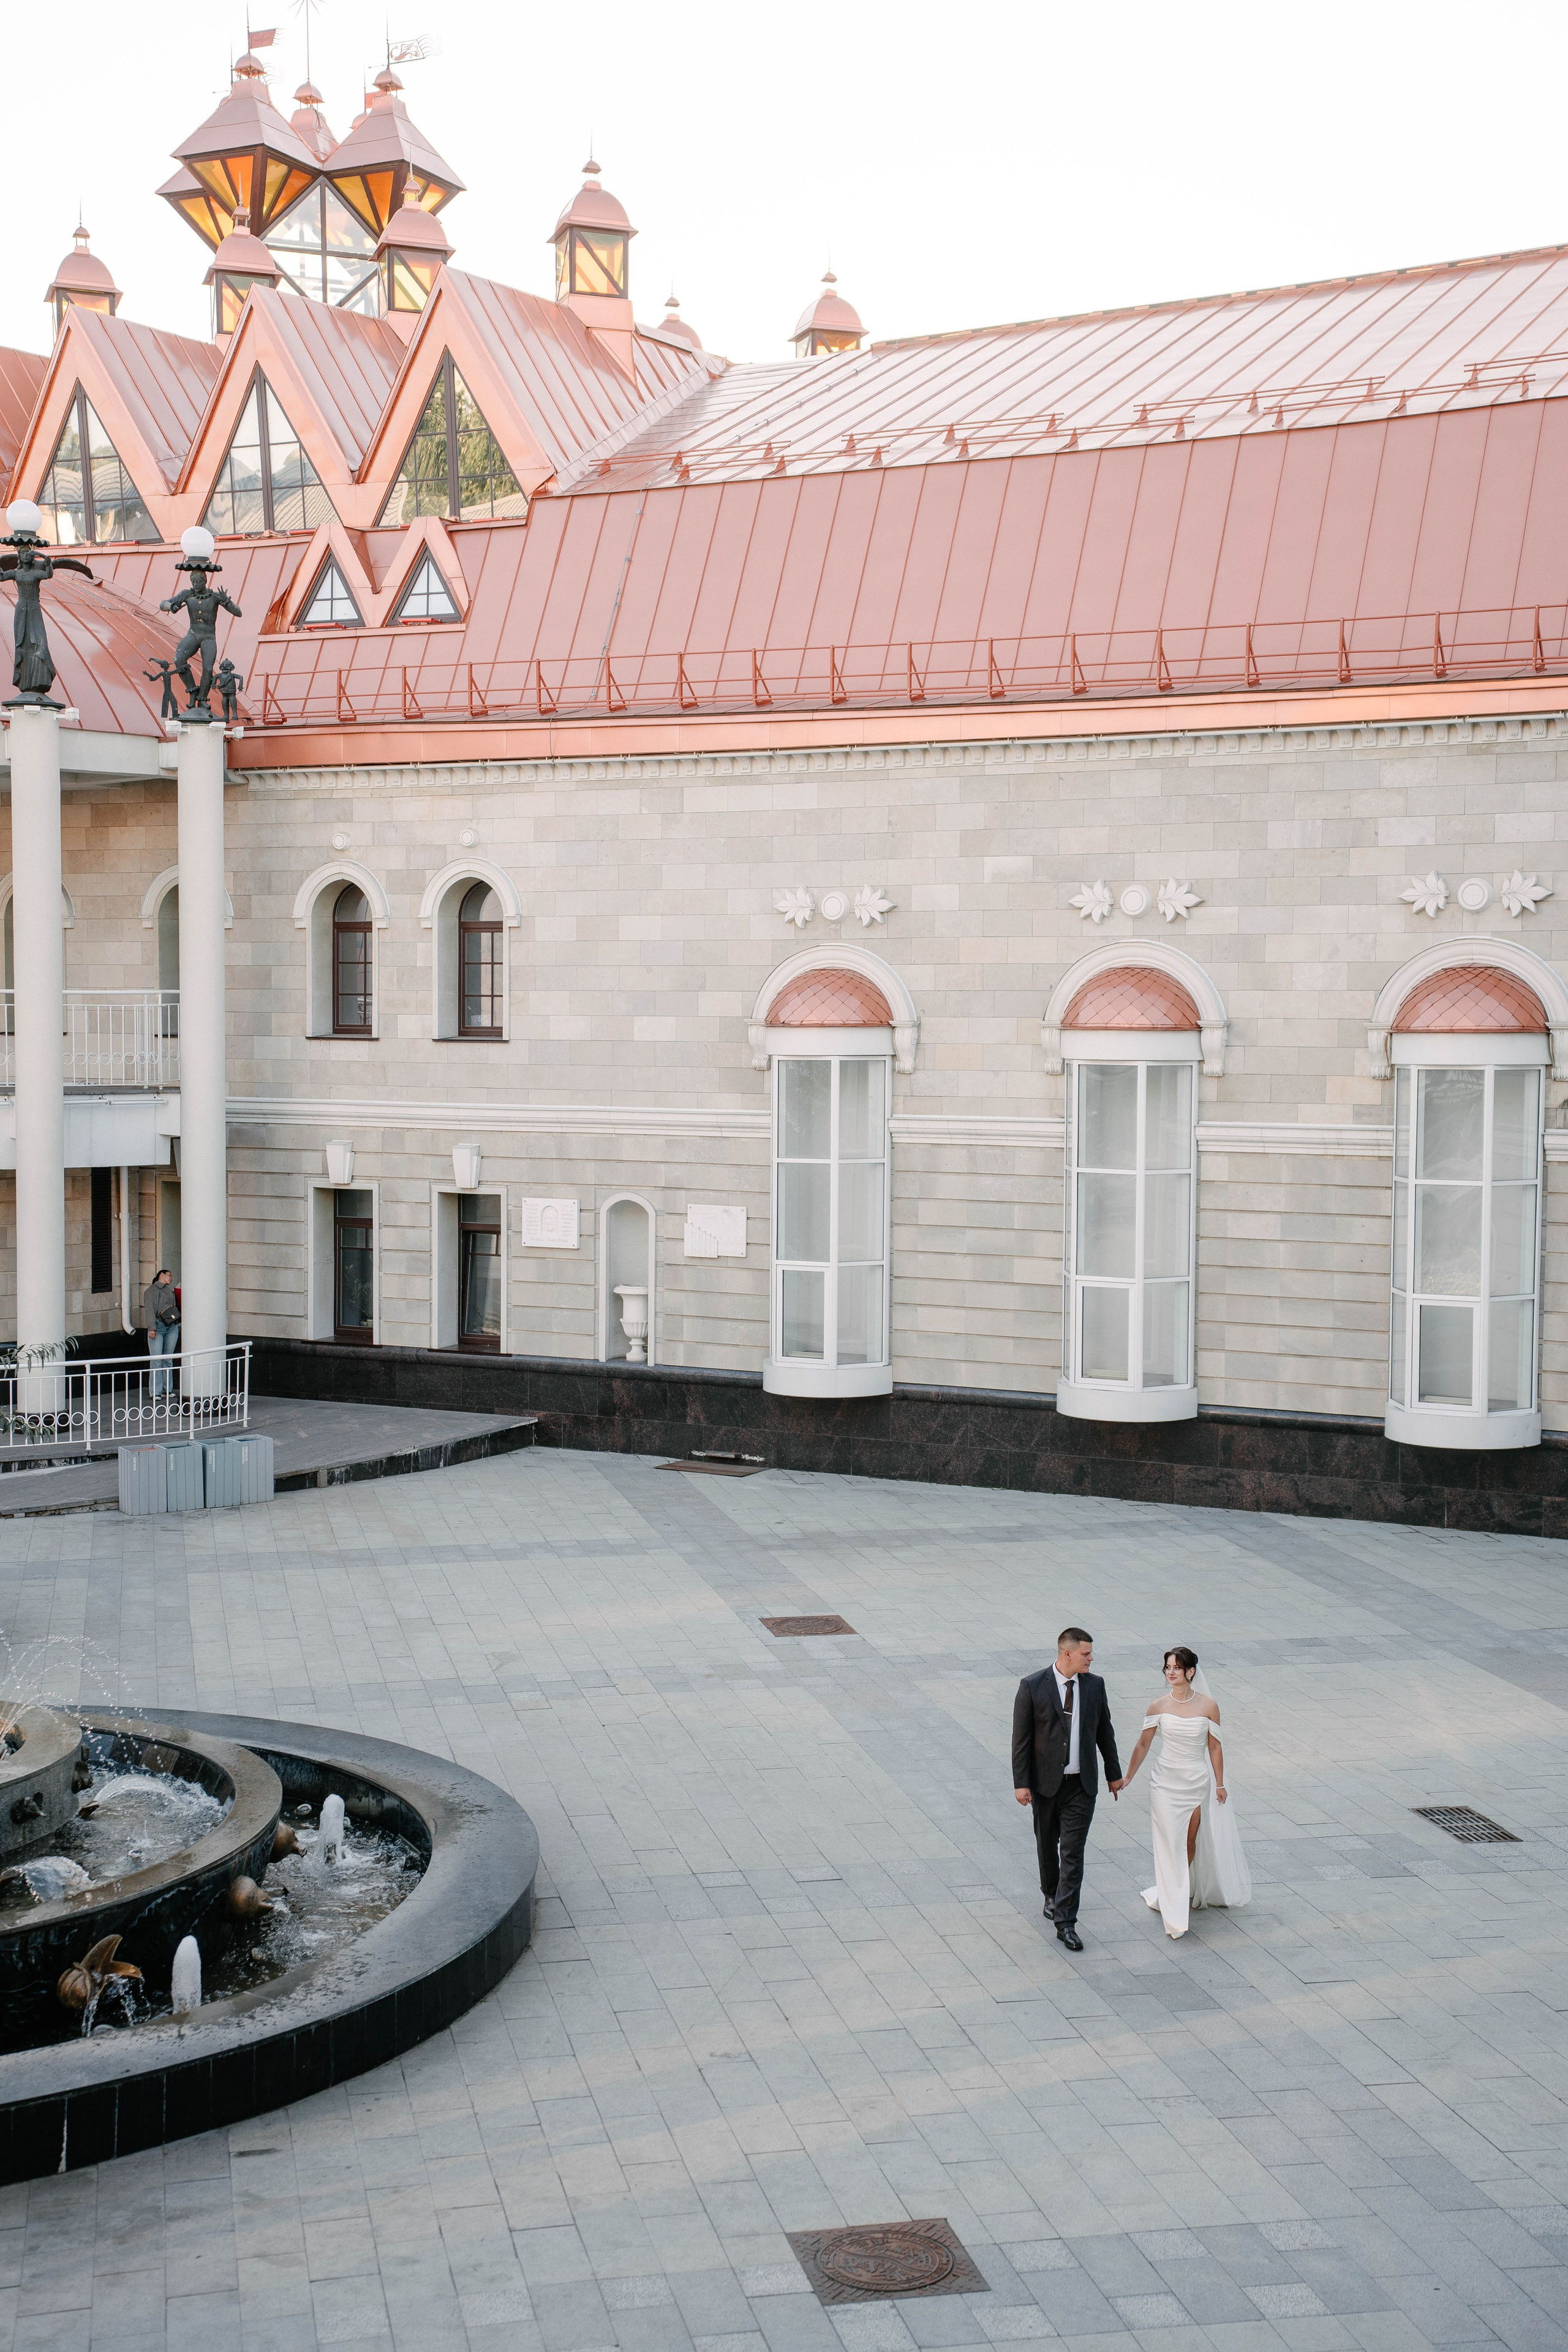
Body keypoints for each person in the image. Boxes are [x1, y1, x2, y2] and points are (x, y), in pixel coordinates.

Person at [1112, 1646, 1252, 1937]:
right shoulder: (1158, 1706)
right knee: (1168, 1842)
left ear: (1191, 1672)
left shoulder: (1209, 1707)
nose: (1171, 1672)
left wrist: (1221, 1783)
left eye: (1176, 1667)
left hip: (1195, 1782)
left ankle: (1174, 1889)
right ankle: (1173, 1904)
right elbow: (1143, 1745)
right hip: (1164, 1783)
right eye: (1167, 1668)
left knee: (1188, 1842)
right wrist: (1128, 1776)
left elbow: (1214, 1746)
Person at [1012, 1626, 1121, 1951]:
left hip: (1081, 1786)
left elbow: (1105, 1732)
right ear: (1067, 1654)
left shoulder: (1095, 1686)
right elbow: (1021, 1740)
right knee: (1048, 1845)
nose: (1091, 1659)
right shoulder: (1032, 1686)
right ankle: (1050, 1892)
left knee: (1072, 1852)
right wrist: (1021, 1783)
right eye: (1086, 1654)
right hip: (1045, 1785)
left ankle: (1066, 1922)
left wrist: (1113, 1774)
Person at [143, 1270, 180, 1399]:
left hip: (172, 1326)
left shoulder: (169, 1291)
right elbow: (150, 1309)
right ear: (162, 1275)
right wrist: (152, 1328)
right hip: (158, 1327)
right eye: (170, 1275)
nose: (171, 1278)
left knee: (168, 1359)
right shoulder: (152, 1290)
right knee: (157, 1360)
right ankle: (156, 1392)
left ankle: (167, 1389)